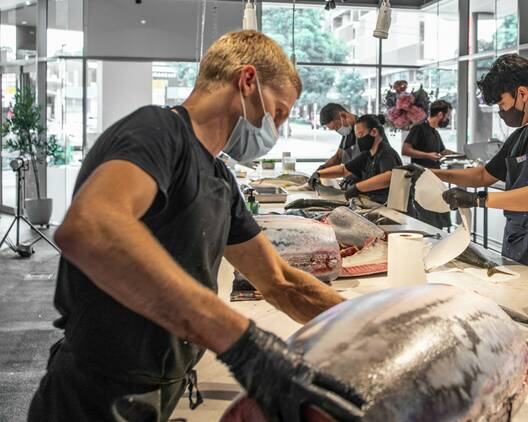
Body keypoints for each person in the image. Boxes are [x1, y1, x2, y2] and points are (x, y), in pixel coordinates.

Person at [28, 31, 362, 422]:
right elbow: (92, 229)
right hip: (95, 393)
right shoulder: (157, 132)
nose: (277, 128)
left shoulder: (219, 178)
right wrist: (243, 344)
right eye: (279, 112)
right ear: (247, 81)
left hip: (158, 387)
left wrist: (372, 323)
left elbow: (279, 283)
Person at [406, 54, 528, 269]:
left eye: (502, 103)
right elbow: (483, 175)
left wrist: (478, 200)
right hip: (514, 241)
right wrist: (429, 173)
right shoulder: (520, 136)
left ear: (522, 94)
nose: (501, 112)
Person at [309, 114, 402, 204]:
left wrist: (358, 187)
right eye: (357, 136)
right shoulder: (368, 155)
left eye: (361, 135)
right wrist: (319, 174)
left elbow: (388, 177)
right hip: (374, 203)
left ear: (374, 132)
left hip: (388, 207)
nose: (359, 140)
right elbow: (343, 170)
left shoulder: (386, 153)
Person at [402, 99, 455, 228]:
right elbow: (405, 150)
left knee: (438, 221)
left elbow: (442, 151)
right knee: (427, 221)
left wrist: (461, 154)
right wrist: (428, 155)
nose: (447, 119)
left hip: (434, 181)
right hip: (421, 182)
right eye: (447, 115)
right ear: (440, 115)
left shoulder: (435, 132)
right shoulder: (418, 129)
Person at [318, 103, 359, 168]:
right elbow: (338, 157)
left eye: (336, 127)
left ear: (343, 116)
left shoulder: (364, 130)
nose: (337, 131)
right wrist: (321, 169)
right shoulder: (348, 132)